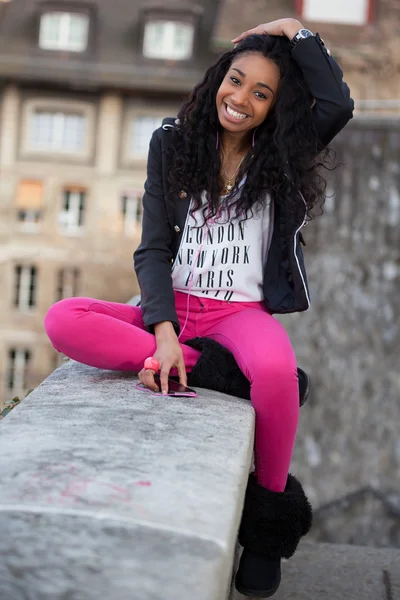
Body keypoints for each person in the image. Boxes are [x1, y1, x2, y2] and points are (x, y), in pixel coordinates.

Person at [45, 17, 354, 598]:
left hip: (239, 313)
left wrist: (293, 30)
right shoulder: (173, 141)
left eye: (260, 93)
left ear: (274, 107)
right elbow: (155, 246)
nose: (240, 99)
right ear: (220, 75)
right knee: (63, 319)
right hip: (175, 307)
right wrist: (162, 334)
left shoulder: (283, 151)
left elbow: (338, 102)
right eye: (235, 80)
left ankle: (264, 533)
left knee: (275, 374)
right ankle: (203, 364)